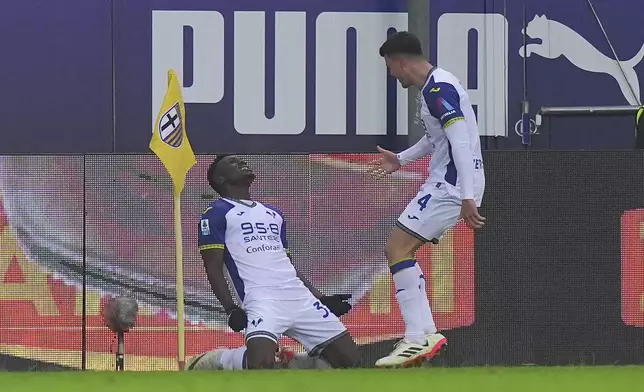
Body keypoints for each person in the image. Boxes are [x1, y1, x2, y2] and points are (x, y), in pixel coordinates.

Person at [367, 31, 486, 368]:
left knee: (397, 248)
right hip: (451, 182)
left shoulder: (437, 90)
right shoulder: (438, 85)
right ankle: (423, 335)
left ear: (400, 62)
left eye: (390, 67)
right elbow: (438, 138)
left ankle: (417, 337)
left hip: (450, 185)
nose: (391, 74)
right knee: (399, 249)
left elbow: (460, 141)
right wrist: (401, 159)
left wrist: (466, 196)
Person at [197, 154, 361, 370]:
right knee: (262, 366)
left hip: (300, 299)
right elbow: (213, 267)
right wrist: (230, 309)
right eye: (232, 163)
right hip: (262, 301)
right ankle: (221, 360)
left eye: (241, 160)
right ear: (220, 179)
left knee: (352, 362)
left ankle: (296, 363)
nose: (242, 162)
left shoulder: (274, 214)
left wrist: (321, 298)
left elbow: (287, 263)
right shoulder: (215, 214)